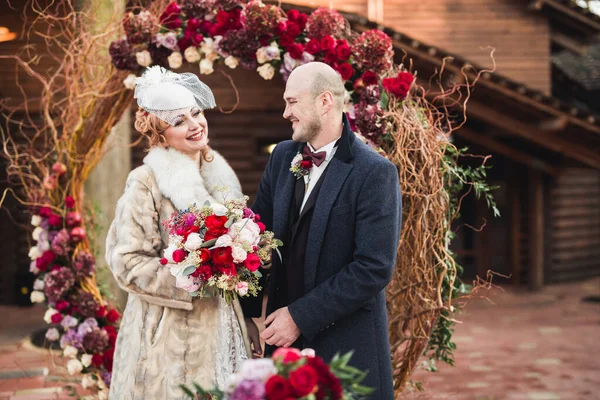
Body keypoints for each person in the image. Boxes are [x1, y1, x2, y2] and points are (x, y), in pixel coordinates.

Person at [242, 62, 402, 399]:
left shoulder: (375, 173)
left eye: (293, 102)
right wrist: (247, 317)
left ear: (325, 101)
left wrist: (299, 317)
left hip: (348, 347)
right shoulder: (283, 156)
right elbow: (252, 239)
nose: (286, 112)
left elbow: (373, 267)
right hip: (283, 350)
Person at [106, 66, 253, 399]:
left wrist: (244, 256)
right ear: (161, 136)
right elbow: (127, 262)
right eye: (179, 122)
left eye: (196, 113)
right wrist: (194, 276)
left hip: (223, 323)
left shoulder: (219, 173)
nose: (195, 124)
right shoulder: (146, 182)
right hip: (170, 337)